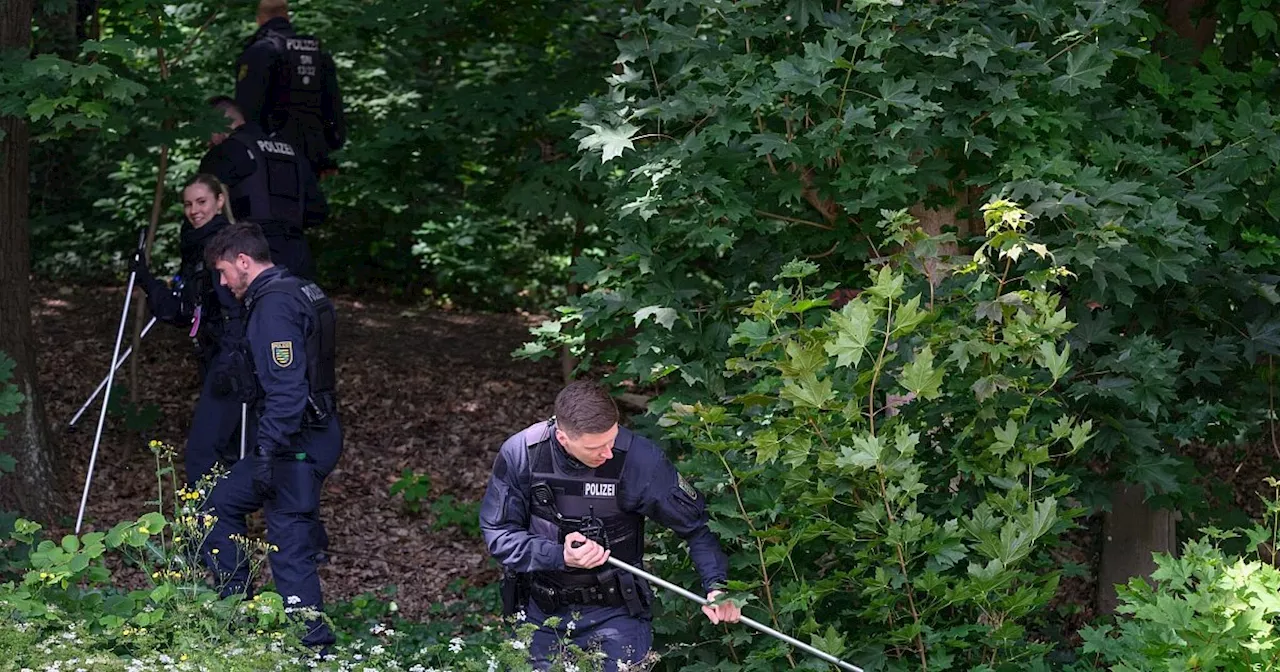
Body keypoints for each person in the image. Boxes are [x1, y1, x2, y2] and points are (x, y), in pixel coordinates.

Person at [479, 381, 741, 670]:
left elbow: (697, 527)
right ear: (564, 438)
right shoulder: (522, 454)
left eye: (612, 440)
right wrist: (559, 555)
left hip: (617, 612)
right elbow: (499, 534)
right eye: (595, 447)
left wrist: (717, 586)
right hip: (542, 612)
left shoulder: (640, 461)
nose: (608, 453)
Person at [201, 222, 342, 649]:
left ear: (244, 261)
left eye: (225, 272)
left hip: (296, 440)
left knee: (289, 539)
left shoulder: (274, 306)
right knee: (221, 503)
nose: (223, 283)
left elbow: (287, 390)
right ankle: (236, 612)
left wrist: (266, 451)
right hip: (310, 434)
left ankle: (313, 645)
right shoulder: (300, 289)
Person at [130, 174, 254, 485]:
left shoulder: (225, 246)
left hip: (232, 361)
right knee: (229, 445)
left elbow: (200, 310)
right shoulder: (199, 245)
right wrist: (149, 280)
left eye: (202, 202)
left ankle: (214, 523)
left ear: (219, 202)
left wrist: (146, 280)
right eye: (188, 204)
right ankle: (229, 519)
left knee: (207, 451)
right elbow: (184, 307)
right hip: (217, 356)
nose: (194, 210)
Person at [200, 95, 326, 281]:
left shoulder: (225, 152)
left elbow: (205, 213)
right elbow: (318, 211)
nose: (207, 141)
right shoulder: (292, 151)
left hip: (250, 257)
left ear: (217, 123)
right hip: (298, 255)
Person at [235, 0, 346, 177]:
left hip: (272, 155)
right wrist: (329, 150)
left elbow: (247, 108)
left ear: (259, 19)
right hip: (313, 156)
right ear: (287, 16)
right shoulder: (318, 53)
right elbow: (333, 107)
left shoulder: (260, 51)